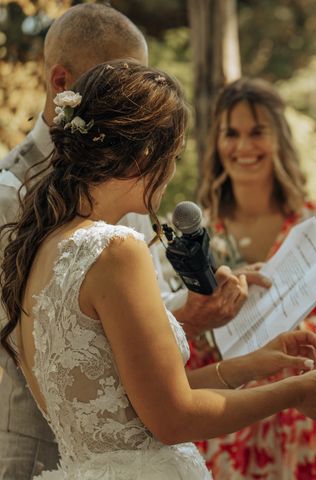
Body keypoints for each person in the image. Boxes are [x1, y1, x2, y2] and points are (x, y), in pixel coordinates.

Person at [0, 60, 316, 480]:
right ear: (147, 156)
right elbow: (174, 419)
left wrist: (256, 363)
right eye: (173, 156)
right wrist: (295, 391)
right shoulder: (116, 250)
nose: (171, 174)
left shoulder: (41, 247)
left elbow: (141, 402)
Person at [0, 5, 264, 478]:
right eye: (118, 80)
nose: (133, 101)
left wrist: (201, 316)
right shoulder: (9, 195)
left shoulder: (119, 201)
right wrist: (297, 392)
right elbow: (60, 337)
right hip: (34, 449)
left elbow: (126, 328)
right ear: (65, 84)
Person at [191, 77, 316, 479]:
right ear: (217, 143)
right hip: (223, 427)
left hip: (299, 426)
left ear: (280, 138)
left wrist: (292, 334)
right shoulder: (201, 235)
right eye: (231, 134)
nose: (243, 147)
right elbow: (179, 341)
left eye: (257, 132)